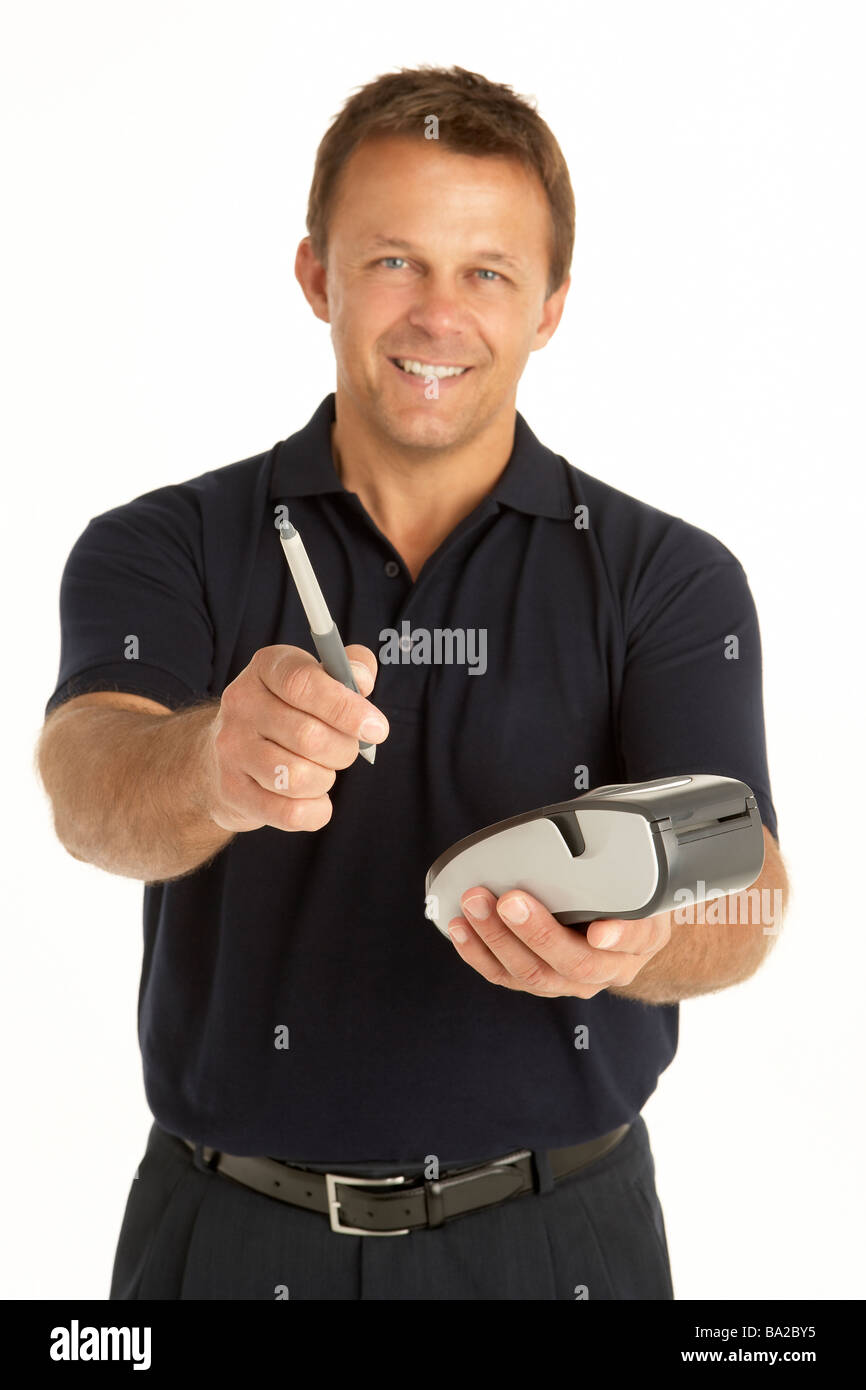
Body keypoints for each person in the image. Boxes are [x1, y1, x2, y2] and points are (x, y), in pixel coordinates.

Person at [36, 64, 788, 1301]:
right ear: (316, 276)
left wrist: (643, 942)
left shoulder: (668, 577)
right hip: (227, 1234)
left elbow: (746, 882)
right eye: (393, 261)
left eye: (486, 271)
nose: (438, 316)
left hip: (560, 1242)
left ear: (547, 306)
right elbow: (87, 787)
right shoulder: (159, 543)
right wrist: (214, 759)